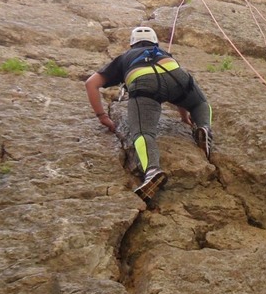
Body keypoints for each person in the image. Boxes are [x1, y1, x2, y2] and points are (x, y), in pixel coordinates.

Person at [85, 26, 213, 200]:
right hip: (175, 74)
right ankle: (204, 127)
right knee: (200, 103)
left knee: (143, 133)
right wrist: (184, 116)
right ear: (155, 41)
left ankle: (152, 170)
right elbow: (182, 96)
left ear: (132, 44)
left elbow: (91, 83)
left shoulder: (124, 58)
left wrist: (102, 116)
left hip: (143, 82)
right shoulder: (162, 52)